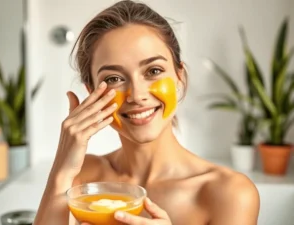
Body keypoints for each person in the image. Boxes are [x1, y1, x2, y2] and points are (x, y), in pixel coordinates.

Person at [33, 1, 260, 224]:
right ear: (92, 93)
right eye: (114, 79)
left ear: (179, 77)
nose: (136, 95)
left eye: (153, 70)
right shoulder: (84, 178)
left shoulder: (229, 194)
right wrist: (62, 168)